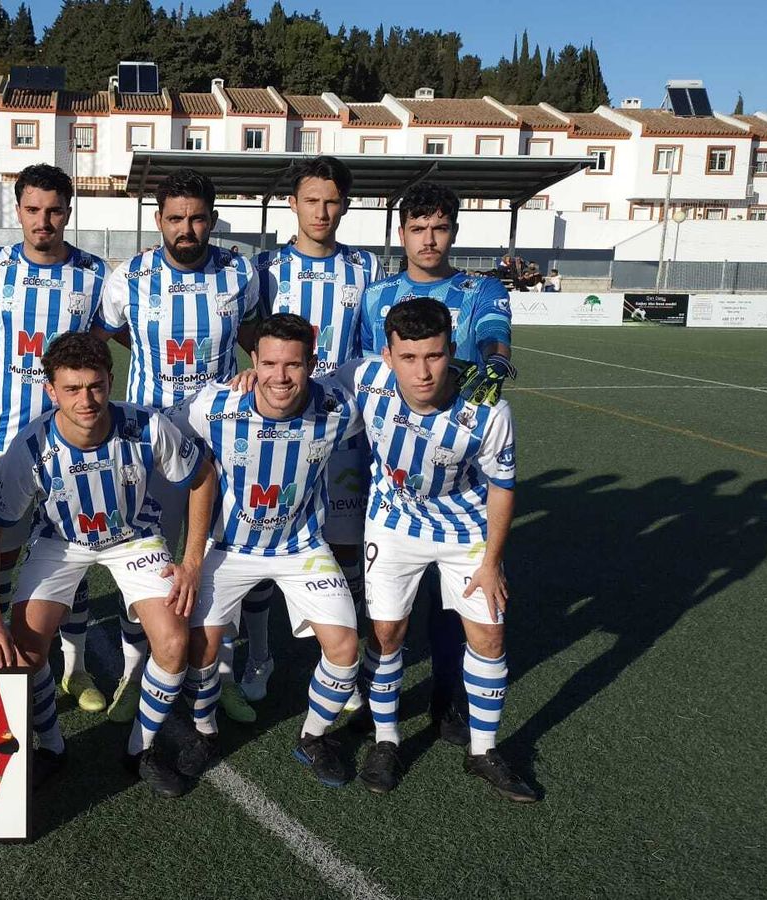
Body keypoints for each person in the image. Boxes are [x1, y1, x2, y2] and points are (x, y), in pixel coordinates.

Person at [0, 332, 209, 797]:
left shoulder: (147, 425)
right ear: (51, 391)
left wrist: (192, 560)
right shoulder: (31, 445)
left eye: (95, 386)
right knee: (25, 652)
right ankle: (51, 748)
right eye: (72, 389)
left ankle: (140, 749)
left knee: (173, 641)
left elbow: (202, 476)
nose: (86, 400)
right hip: (61, 542)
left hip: (133, 539)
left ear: (110, 380)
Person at [175, 313, 373, 786]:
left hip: (301, 547)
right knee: (199, 649)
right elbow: (158, 433)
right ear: (253, 361)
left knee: (345, 648)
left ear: (312, 364)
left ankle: (313, 736)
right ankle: (204, 733)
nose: (280, 376)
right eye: (269, 363)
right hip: (228, 547)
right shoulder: (214, 406)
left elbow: (394, 386)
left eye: (293, 364)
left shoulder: (339, 408)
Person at [92, 167, 259, 724]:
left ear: (213, 219)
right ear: (159, 220)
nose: (186, 228)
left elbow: (255, 336)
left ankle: (220, 673)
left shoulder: (240, 272)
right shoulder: (129, 276)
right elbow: (105, 336)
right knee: (146, 558)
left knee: (221, 560)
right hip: (148, 443)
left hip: (223, 441)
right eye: (175, 218)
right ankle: (134, 670)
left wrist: (254, 369)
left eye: (197, 218)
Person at [353, 297, 537, 803]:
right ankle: (386, 740)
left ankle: (483, 750)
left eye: (433, 356)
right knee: (386, 633)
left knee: (490, 637)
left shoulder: (488, 408)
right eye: (408, 358)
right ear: (387, 356)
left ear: (452, 351)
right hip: (393, 525)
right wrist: (248, 379)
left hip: (466, 532)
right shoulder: (365, 379)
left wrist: (492, 562)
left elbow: (502, 488)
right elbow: (301, 389)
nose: (422, 372)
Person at [359, 181, 516, 746]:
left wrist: (496, 362)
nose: (429, 240)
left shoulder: (480, 289)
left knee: (456, 606)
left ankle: (447, 698)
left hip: (459, 453)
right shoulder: (377, 295)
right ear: (402, 233)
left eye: (440, 228)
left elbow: (495, 335)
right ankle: (376, 704)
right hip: (395, 456)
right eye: (419, 229)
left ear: (453, 231)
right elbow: (367, 365)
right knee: (386, 608)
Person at [241, 155, 379, 708]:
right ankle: (259, 655)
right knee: (259, 540)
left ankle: (342, 665)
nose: (321, 211)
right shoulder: (266, 268)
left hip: (343, 431)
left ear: (344, 205)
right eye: (311, 200)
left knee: (345, 548)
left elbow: (372, 343)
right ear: (292, 204)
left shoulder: (366, 267)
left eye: (332, 201)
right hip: (275, 428)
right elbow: (249, 335)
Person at [0, 164, 110, 713]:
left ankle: (75, 668)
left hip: (74, 439)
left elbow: (102, 343)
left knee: (71, 554)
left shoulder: (94, 274)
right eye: (32, 209)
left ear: (68, 213)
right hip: (4, 438)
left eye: (54, 210)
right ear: (18, 211)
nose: (43, 221)